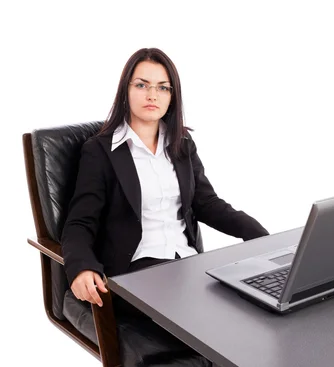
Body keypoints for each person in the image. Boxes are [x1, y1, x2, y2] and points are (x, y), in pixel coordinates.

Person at [62, 47, 269, 311]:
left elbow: (207, 203)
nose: (152, 95)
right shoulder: (100, 151)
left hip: (189, 265)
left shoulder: (182, 143)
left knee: (255, 304)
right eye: (142, 85)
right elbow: (80, 222)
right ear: (125, 90)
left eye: (163, 88)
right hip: (136, 271)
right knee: (219, 316)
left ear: (172, 96)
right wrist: (82, 267)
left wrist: (257, 234)